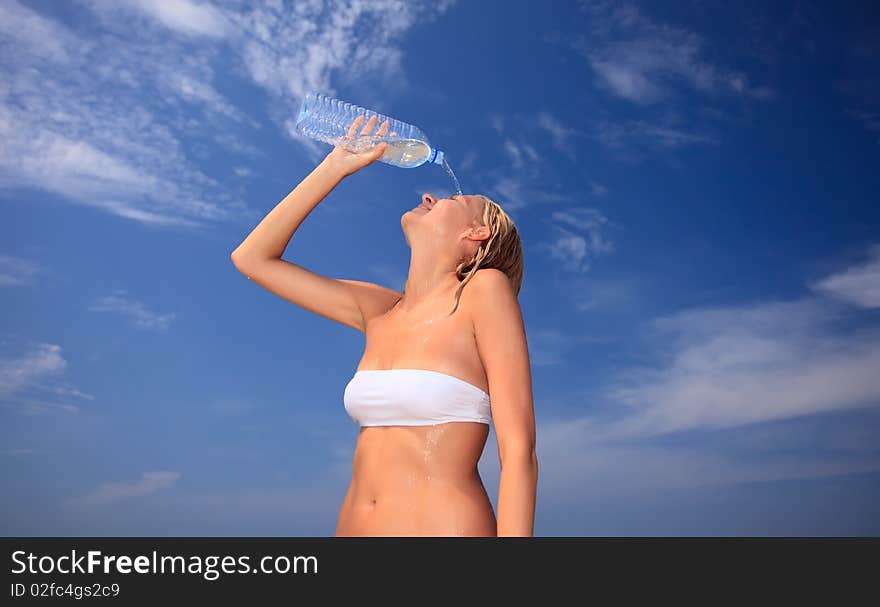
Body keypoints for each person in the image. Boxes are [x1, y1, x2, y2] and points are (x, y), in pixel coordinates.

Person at [231, 113, 537, 536]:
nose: (429, 196)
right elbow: (252, 258)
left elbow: (518, 450)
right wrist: (335, 165)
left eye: (451, 200)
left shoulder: (484, 291)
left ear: (477, 234)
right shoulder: (378, 310)